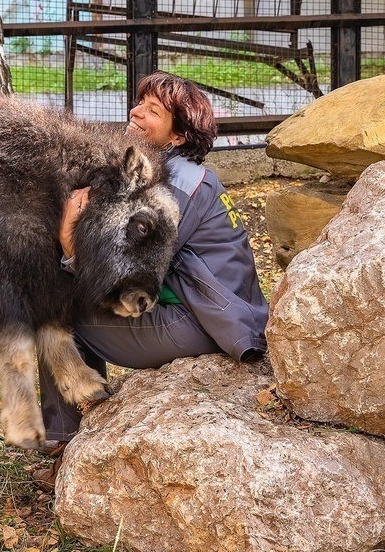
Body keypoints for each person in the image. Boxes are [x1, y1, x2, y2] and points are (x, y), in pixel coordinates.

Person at [32, 71, 269, 491]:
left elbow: (124, 275)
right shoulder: (180, 175)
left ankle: (64, 448)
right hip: (207, 314)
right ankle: (83, 426)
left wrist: (68, 241)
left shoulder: (175, 187)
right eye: (138, 102)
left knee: (52, 318)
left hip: (198, 325)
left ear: (177, 137)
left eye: (152, 110)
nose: (135, 112)